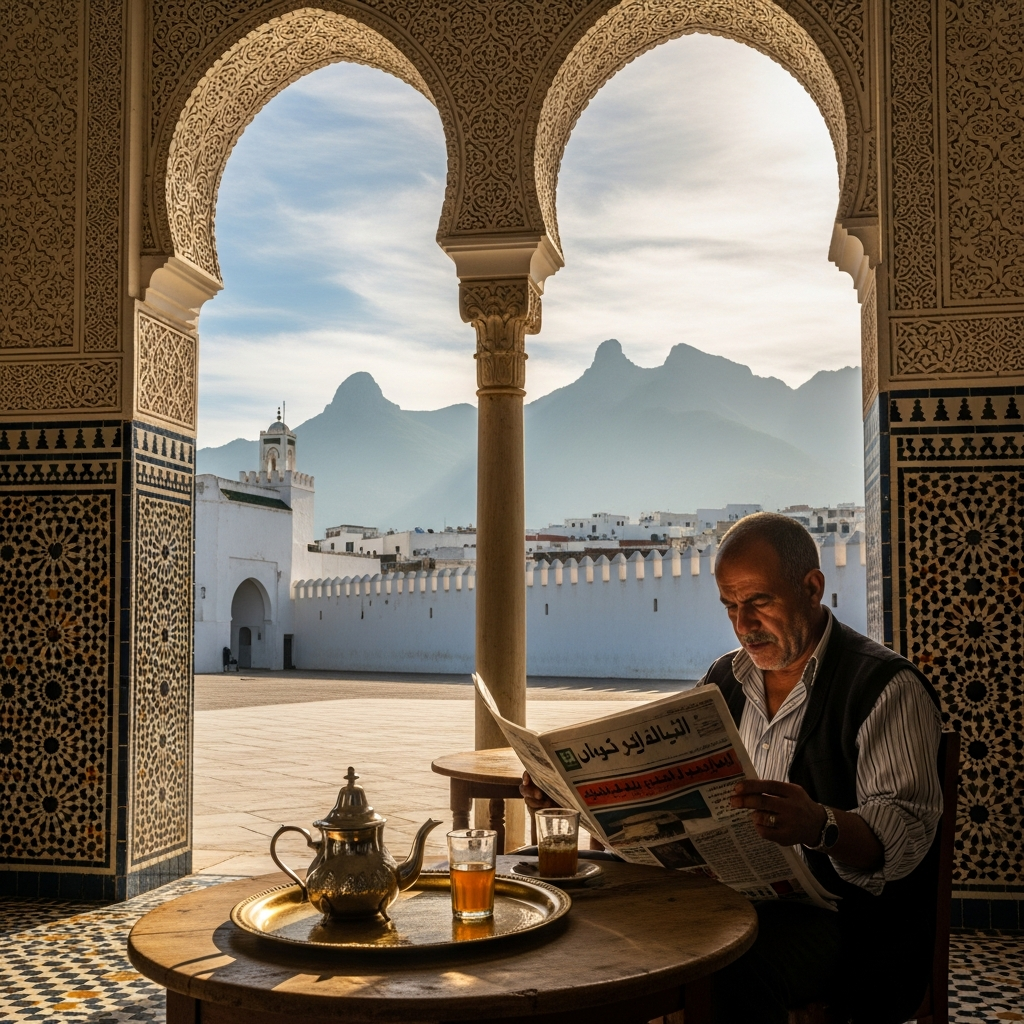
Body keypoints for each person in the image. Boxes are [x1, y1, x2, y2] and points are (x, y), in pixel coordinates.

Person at [521, 512, 942, 1024]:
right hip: (724, 898)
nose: (743, 624)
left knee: (724, 969)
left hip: (842, 924)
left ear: (812, 588)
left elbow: (902, 842)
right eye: (730, 607)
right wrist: (570, 798)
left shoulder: (883, 688)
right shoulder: (725, 678)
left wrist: (819, 825)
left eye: (759, 602)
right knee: (562, 911)